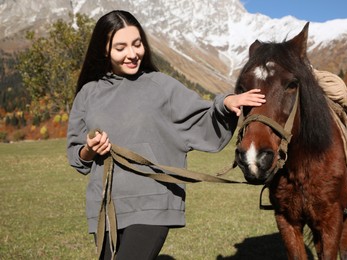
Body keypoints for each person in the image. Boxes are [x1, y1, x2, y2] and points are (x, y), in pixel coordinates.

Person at [66, 10, 265, 260]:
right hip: (106, 206)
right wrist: (89, 149)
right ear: (104, 50)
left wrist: (225, 103)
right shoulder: (88, 94)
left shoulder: (161, 85)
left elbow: (201, 117)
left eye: (137, 44)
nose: (132, 53)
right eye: (121, 47)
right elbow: (76, 155)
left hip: (153, 202)